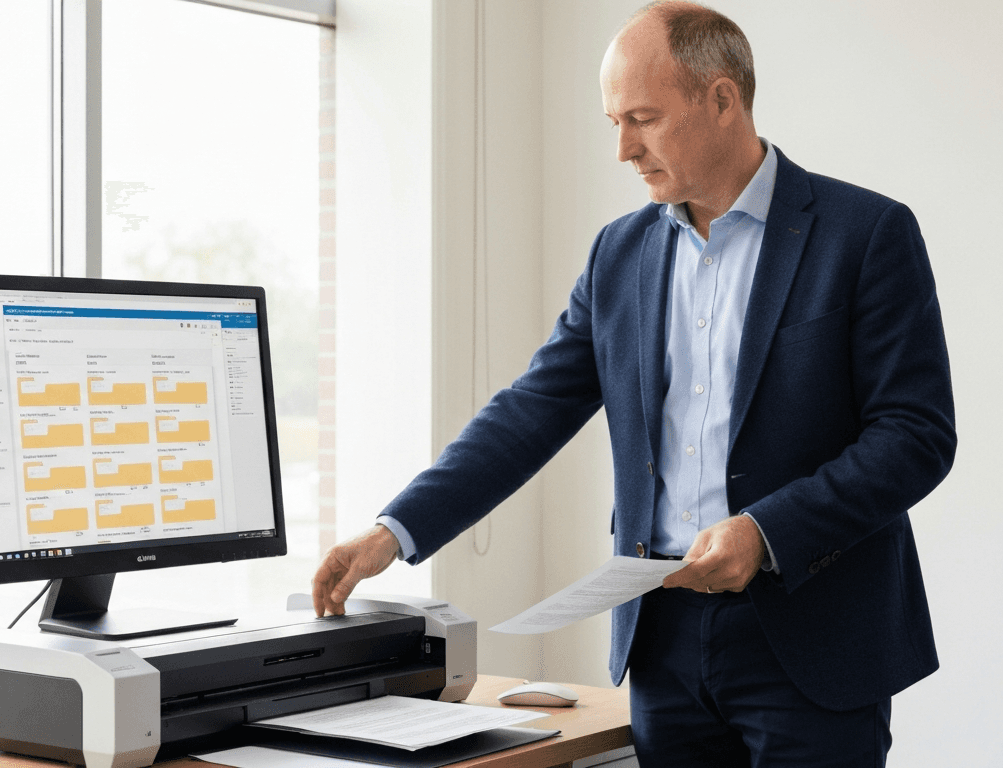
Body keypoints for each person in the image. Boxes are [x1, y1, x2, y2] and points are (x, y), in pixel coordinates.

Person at [311, 2, 956, 764]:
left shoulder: (864, 233)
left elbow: (914, 436)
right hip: (663, 637)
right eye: (613, 121)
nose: (623, 149)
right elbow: (534, 409)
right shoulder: (620, 254)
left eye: (643, 118)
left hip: (813, 631)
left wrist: (766, 530)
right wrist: (396, 530)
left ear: (722, 99)